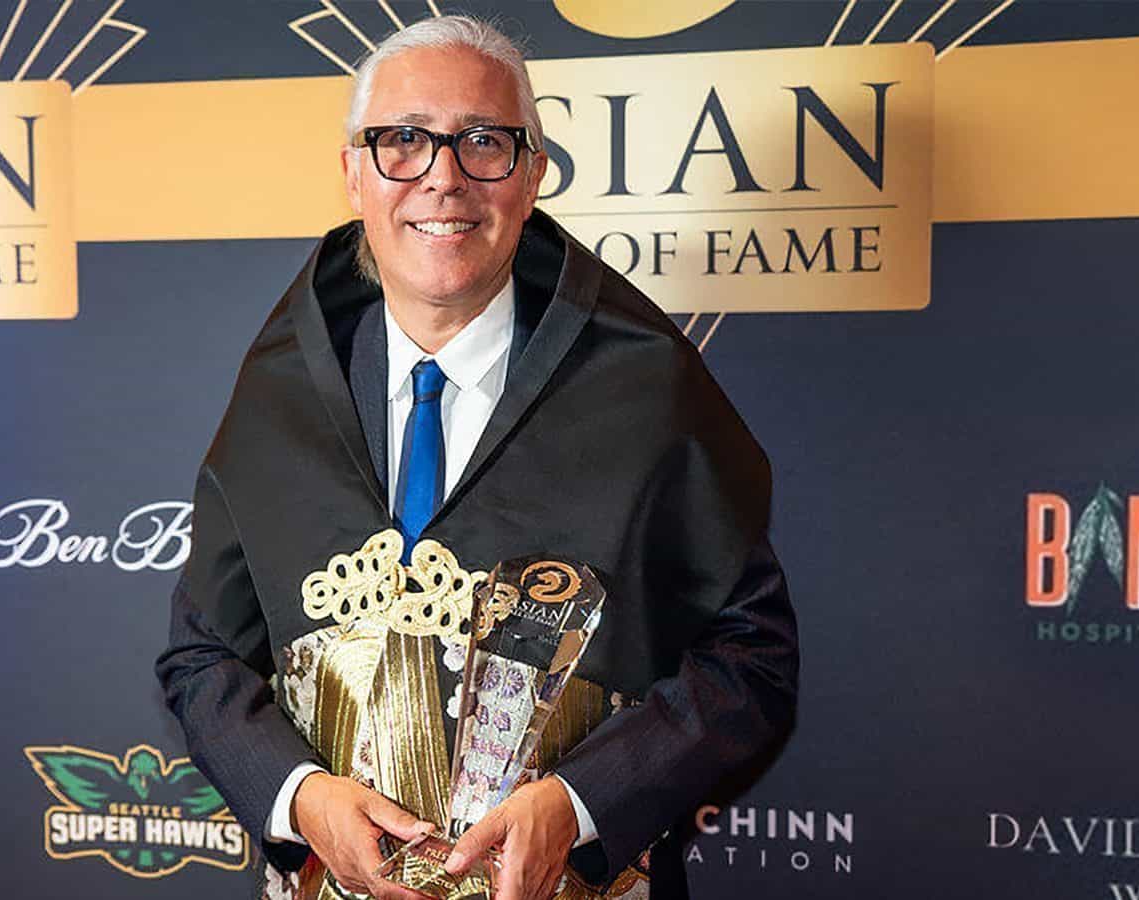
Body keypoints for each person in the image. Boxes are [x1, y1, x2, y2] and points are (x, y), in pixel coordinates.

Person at [155, 15, 798, 900]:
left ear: (532, 173)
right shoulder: (279, 394)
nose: (443, 179)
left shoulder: (646, 390)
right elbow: (202, 658)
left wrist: (581, 804)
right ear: (352, 173)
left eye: (484, 142)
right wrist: (297, 798)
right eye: (403, 141)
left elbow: (749, 658)